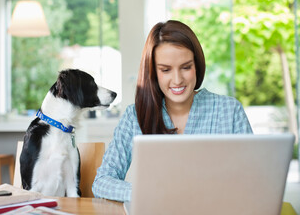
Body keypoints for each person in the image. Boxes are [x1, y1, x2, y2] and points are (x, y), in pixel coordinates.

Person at [92, 20, 253, 202]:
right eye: (165, 70)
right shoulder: (134, 116)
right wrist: (147, 195)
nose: (177, 80)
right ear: (153, 72)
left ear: (197, 66)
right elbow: (102, 181)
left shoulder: (230, 110)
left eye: (186, 67)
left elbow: (254, 180)